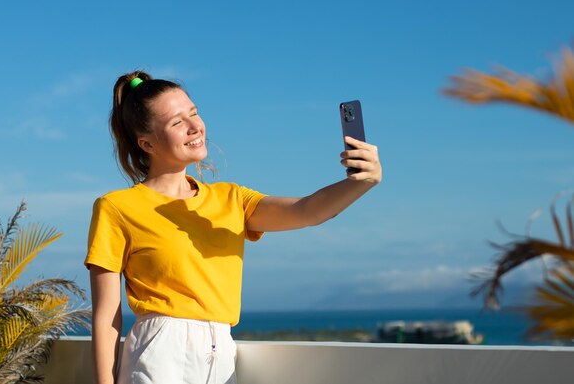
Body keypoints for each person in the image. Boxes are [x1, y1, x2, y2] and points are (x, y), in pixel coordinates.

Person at [85, 71, 382, 384]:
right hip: (159, 352)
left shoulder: (231, 199)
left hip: (221, 352)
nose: (194, 126)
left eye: (194, 113)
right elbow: (106, 316)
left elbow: (308, 211)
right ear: (146, 143)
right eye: (176, 122)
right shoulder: (117, 207)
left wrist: (362, 182)